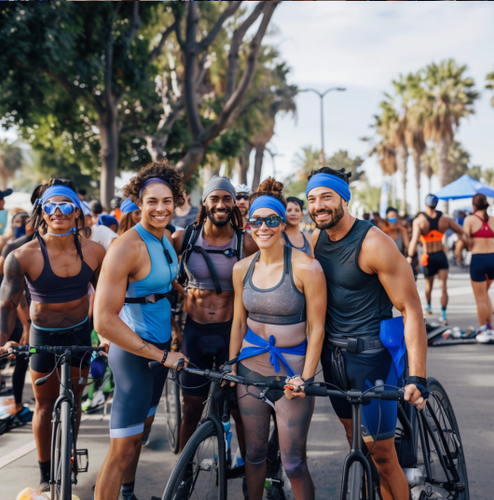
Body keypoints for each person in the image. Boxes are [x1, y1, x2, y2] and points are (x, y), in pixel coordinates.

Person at [308, 167, 428, 500]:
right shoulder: (317, 241)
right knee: (357, 445)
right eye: (312, 198)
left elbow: (411, 310)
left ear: (345, 199)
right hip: (334, 361)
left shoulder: (374, 243)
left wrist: (417, 376)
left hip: (373, 360)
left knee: (384, 456)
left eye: (326, 197)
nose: (318, 205)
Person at [0, 179, 105, 492]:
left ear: (77, 212)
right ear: (41, 212)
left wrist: (105, 334)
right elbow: (6, 305)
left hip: (80, 335)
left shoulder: (95, 252)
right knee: (45, 406)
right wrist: (4, 341)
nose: (57, 212)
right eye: (50, 206)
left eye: (65, 206)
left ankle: (68, 454)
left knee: (73, 402)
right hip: (43, 337)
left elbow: (107, 297)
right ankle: (46, 474)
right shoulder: (22, 255)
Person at [93, 162, 188, 500]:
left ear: (175, 201)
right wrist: (162, 355)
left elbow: (158, 280)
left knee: (139, 437)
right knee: (121, 449)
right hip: (136, 355)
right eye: (151, 202)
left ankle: (129, 494)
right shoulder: (125, 247)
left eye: (166, 201)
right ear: (138, 202)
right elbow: (103, 320)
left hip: (162, 352)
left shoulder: (165, 238)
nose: (160, 208)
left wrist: (182, 293)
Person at [228, 178, 326, 500]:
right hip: (250, 372)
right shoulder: (242, 268)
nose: (263, 227)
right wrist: (231, 366)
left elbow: (317, 328)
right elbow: (239, 321)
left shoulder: (307, 268)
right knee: (254, 456)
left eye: (272, 220)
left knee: (294, 462)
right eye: (257, 221)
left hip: (292, 375)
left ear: (282, 222)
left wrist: (306, 378)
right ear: (248, 225)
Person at [172, 176, 258, 454]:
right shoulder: (183, 238)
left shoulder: (247, 243)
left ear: (234, 204)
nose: (221, 204)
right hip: (193, 332)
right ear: (205, 202)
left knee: (238, 409)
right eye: (215, 198)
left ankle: (251, 476)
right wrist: (174, 321)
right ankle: (182, 478)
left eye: (227, 199)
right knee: (192, 408)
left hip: (230, 334)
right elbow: (161, 278)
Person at [408, 194, 469, 324]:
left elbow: (413, 242)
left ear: (426, 204)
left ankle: (429, 307)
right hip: (441, 255)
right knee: (443, 287)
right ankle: (443, 315)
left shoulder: (419, 221)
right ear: (436, 205)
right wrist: (464, 242)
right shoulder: (445, 220)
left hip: (428, 256)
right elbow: (462, 231)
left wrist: (409, 257)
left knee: (429, 286)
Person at [0, 209, 36, 427]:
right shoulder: (11, 248)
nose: (21, 224)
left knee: (20, 361)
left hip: (22, 313)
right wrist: (26, 326)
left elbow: (19, 298)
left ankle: (16, 406)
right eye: (17, 221)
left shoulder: (22, 248)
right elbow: (15, 297)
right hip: (10, 314)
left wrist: (26, 326)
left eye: (25, 220)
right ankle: (11, 408)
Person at [462, 194, 494, 342]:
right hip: (492, 258)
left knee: (480, 299)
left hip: (478, 259)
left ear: (474, 206)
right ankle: (490, 327)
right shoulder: (492, 220)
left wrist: (458, 251)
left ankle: (484, 329)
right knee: (485, 293)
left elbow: (465, 240)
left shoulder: (470, 219)